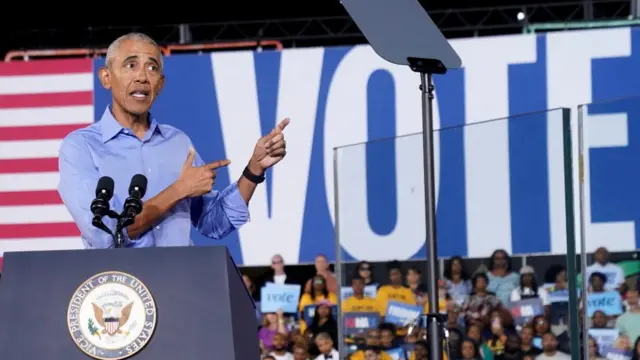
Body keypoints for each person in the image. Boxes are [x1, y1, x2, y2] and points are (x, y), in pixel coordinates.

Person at [58, 33, 289, 249]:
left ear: (160, 84)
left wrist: (254, 169)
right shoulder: (81, 147)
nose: (142, 76)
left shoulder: (177, 142)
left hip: (180, 282)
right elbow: (104, 236)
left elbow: (214, 223)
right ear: (106, 78)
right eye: (131, 65)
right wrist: (179, 190)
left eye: (152, 68)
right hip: (122, 287)